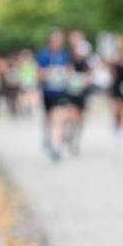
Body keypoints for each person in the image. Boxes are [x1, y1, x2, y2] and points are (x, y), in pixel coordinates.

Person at [37, 29, 72, 162]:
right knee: (49, 118)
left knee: (60, 118)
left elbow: (69, 71)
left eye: (59, 41)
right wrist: (48, 73)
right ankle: (47, 137)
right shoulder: (44, 55)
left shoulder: (64, 55)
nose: (57, 44)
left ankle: (57, 147)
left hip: (61, 92)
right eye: (55, 41)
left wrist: (65, 75)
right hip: (48, 92)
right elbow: (38, 73)